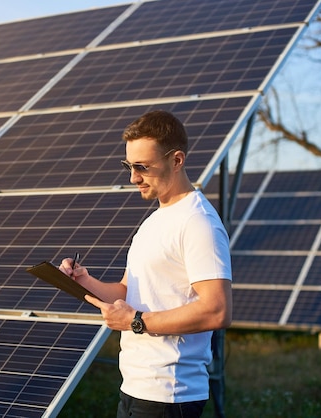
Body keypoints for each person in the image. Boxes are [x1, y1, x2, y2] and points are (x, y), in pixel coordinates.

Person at [59, 110, 232, 418]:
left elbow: (217, 310)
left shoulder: (198, 223)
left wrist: (136, 321)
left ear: (176, 160)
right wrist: (84, 281)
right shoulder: (153, 222)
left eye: (142, 167)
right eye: (129, 166)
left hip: (170, 395)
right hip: (136, 388)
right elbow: (127, 292)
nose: (133, 177)